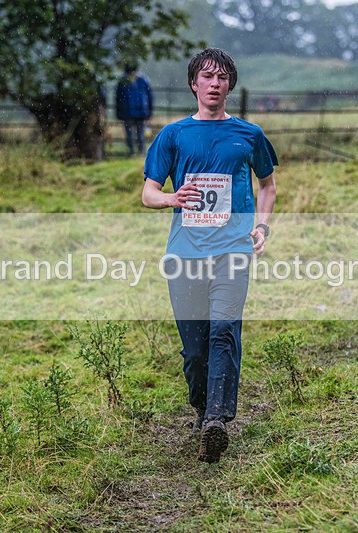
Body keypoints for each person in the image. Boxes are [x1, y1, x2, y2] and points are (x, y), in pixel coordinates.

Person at [141, 48, 277, 463]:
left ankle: (217, 419)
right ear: (194, 84)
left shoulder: (249, 134)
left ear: (230, 85)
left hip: (233, 250)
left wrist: (262, 227)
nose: (215, 84)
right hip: (185, 253)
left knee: (223, 331)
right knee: (195, 348)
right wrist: (172, 198)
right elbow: (148, 194)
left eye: (222, 77)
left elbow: (267, 185)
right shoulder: (173, 135)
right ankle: (202, 410)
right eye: (207, 77)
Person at [116, 64, 154, 156]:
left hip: (128, 111)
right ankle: (141, 152)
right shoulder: (143, 80)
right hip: (141, 111)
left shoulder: (123, 81)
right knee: (140, 133)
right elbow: (150, 96)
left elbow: (118, 98)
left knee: (130, 134)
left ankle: (132, 152)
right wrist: (149, 111)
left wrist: (119, 112)